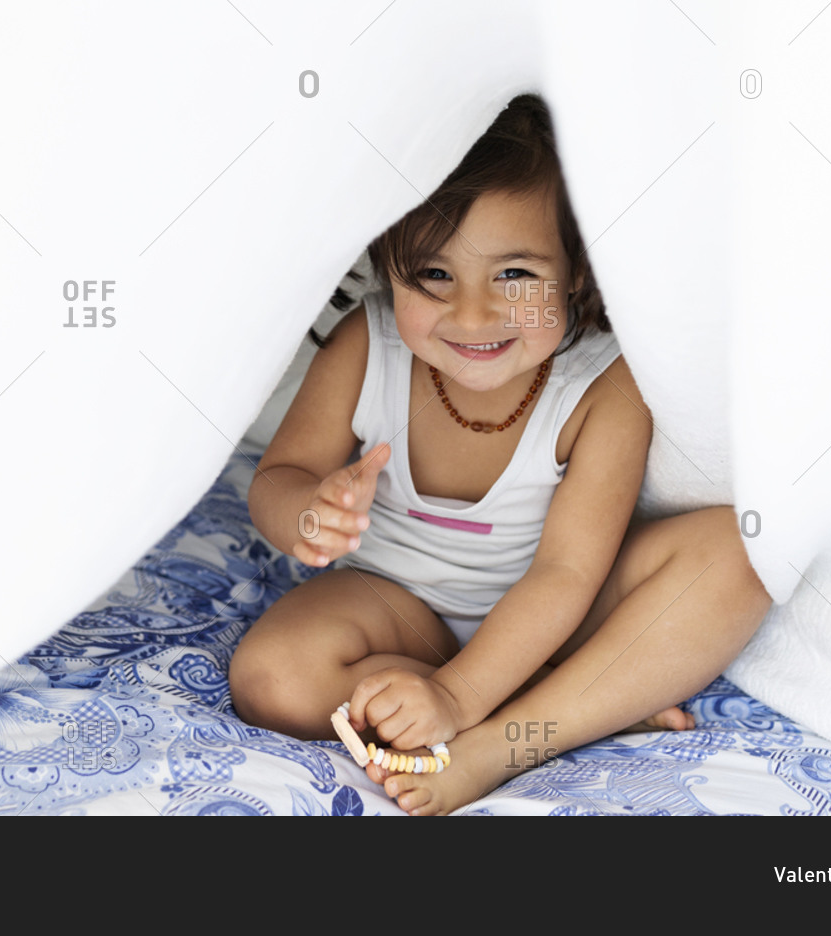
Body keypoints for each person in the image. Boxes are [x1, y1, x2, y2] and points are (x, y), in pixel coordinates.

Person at [228, 93, 770, 815]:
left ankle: (498, 742)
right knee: (271, 679)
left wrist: (457, 696)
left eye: (514, 275)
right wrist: (307, 514)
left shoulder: (604, 384)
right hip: (397, 606)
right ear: (389, 267)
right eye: (434, 275)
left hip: (555, 615)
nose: (474, 314)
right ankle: (579, 706)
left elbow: (567, 570)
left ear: (576, 271)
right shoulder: (369, 345)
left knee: (742, 552)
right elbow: (280, 478)